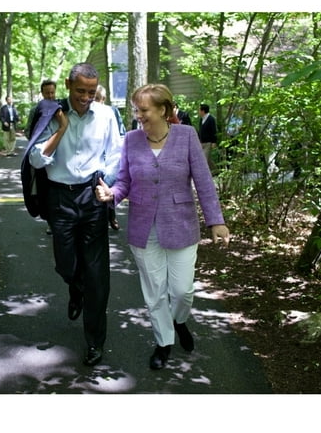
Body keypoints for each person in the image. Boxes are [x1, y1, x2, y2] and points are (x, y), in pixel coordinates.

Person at [95, 84, 230, 370]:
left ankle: (179, 321)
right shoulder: (131, 139)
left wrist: (216, 221)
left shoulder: (187, 136)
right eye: (136, 109)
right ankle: (164, 341)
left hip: (181, 224)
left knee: (182, 291)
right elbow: (124, 181)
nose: (138, 115)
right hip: (144, 228)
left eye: (143, 110)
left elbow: (204, 182)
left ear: (163, 110)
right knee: (154, 290)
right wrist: (112, 195)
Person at [28, 63, 122, 366]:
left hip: (92, 195)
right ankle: (75, 287)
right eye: (80, 91)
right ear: (68, 85)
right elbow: (35, 159)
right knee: (66, 264)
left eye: (91, 92)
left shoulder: (107, 115)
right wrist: (63, 128)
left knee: (98, 274)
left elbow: (116, 154)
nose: (85, 97)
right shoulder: (50, 113)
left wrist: (106, 179)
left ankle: (95, 341)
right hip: (58, 198)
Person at [95, 84, 125, 231]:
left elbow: (121, 133)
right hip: (96, 161)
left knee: (109, 187)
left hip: (111, 159)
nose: (94, 102)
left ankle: (112, 216)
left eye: (97, 99)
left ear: (103, 99)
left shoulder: (111, 112)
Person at [198, 103, 218, 173]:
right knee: (208, 159)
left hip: (208, 142)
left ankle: (204, 174)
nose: (198, 111)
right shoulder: (201, 119)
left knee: (204, 159)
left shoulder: (211, 119)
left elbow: (213, 131)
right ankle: (216, 171)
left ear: (203, 111)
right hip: (202, 142)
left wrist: (214, 142)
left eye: (199, 110)